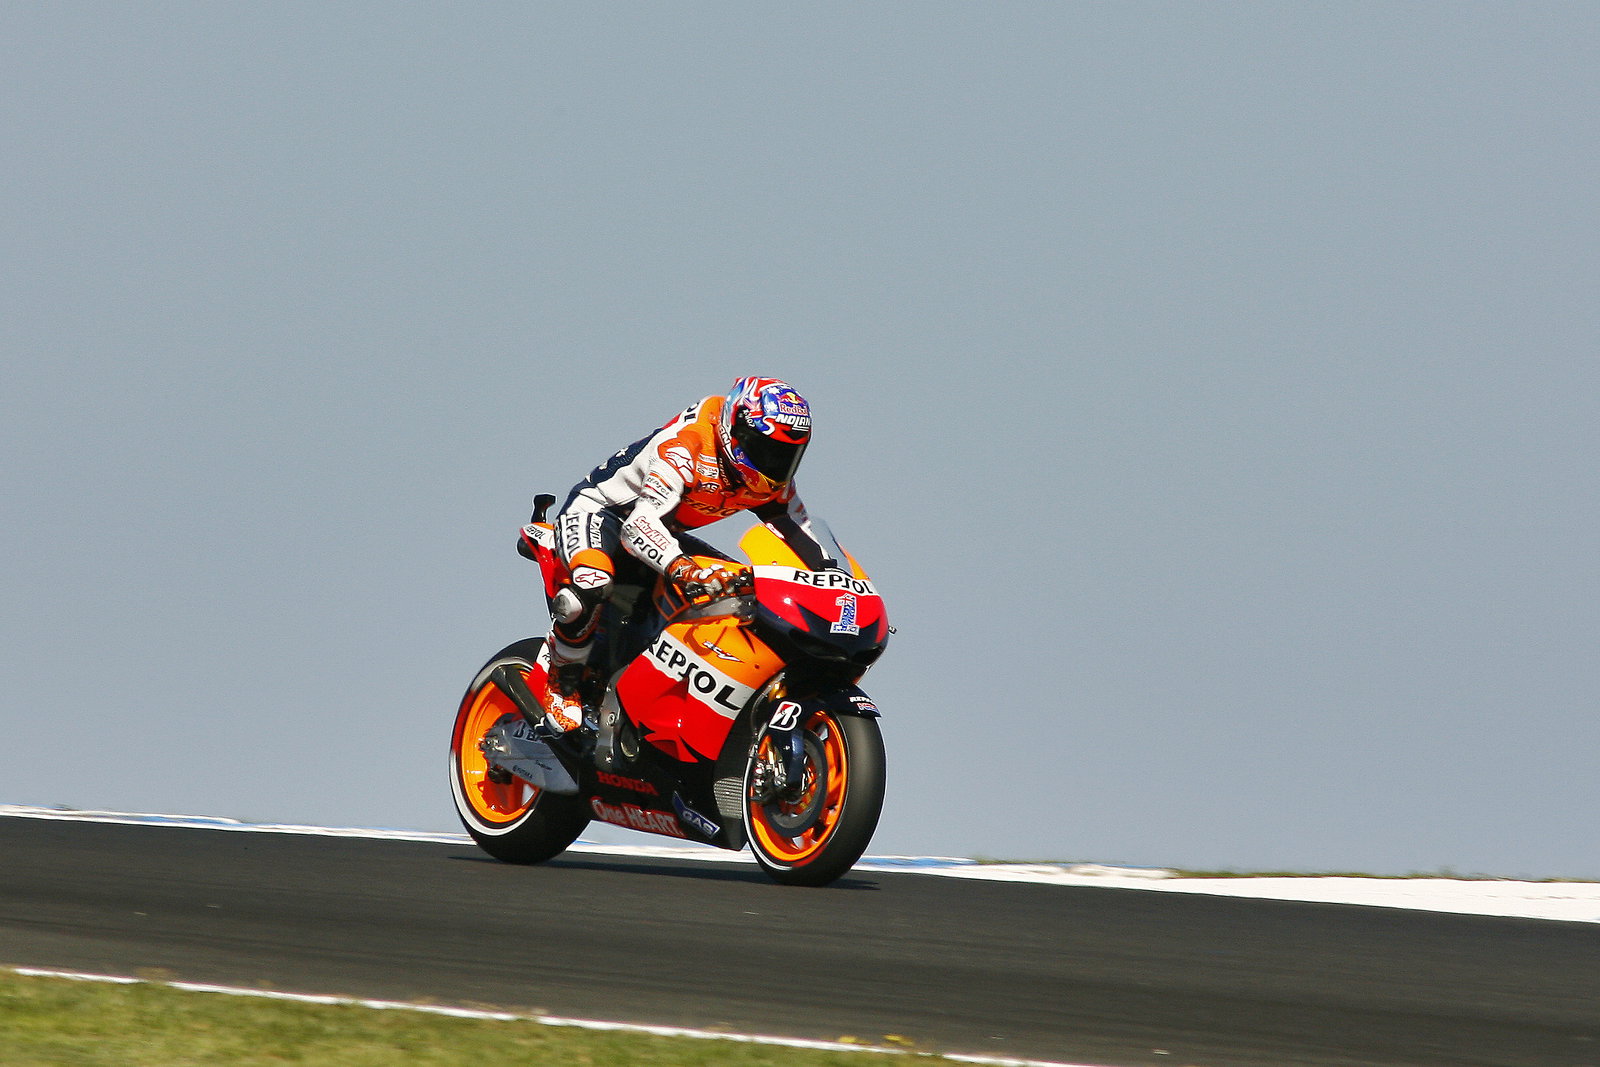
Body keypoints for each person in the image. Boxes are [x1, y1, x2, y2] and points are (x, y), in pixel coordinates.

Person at [532, 375, 826, 734]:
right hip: (602, 514)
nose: (773, 464)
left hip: (663, 533)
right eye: (764, 449)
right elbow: (638, 525)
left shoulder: (772, 484)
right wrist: (684, 569)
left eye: (785, 456)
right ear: (734, 428)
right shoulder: (687, 447)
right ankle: (561, 682)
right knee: (591, 582)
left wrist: (837, 583)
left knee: (742, 595)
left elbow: (804, 538)